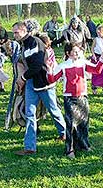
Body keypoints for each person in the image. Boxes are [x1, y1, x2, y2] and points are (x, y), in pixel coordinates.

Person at [11, 21, 66, 155]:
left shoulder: (35, 42)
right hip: (31, 83)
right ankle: (30, 147)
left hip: (44, 83)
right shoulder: (23, 45)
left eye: (16, 32)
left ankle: (65, 133)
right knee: (30, 114)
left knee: (53, 110)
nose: (14, 35)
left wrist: (23, 78)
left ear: (24, 30)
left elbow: (37, 65)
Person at [46, 44, 103, 158]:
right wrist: (49, 70)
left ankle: (84, 145)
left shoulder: (83, 63)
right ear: (68, 53)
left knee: (84, 122)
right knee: (71, 124)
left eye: (78, 51)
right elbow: (52, 80)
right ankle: (70, 150)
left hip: (82, 97)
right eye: (74, 51)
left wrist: (102, 57)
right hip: (69, 98)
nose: (77, 53)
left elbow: (97, 70)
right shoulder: (63, 66)